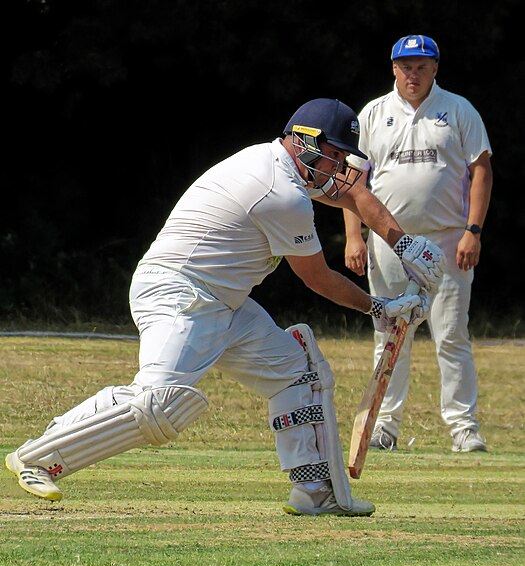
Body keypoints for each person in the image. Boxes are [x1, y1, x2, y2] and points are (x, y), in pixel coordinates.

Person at [5, 98, 445, 516]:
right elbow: (317, 278)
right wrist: (379, 308)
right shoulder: (280, 191)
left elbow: (352, 196)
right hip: (180, 293)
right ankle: (37, 456)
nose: (338, 168)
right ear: (307, 141)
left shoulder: (282, 164)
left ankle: (316, 492)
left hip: (225, 302)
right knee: (160, 403)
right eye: (334, 155)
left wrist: (404, 244)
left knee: (299, 372)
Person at [343, 35, 493, 453]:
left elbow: (481, 169)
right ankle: (384, 427)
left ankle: (464, 429)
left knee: (451, 335)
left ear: (435, 68)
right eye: (406, 66)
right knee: (391, 334)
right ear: (393, 68)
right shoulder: (373, 113)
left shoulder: (458, 110)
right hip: (390, 242)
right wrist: (355, 236)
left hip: (448, 242)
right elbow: (353, 182)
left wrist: (473, 230)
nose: (413, 74)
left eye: (422, 66)